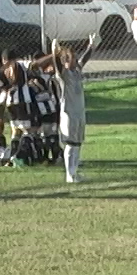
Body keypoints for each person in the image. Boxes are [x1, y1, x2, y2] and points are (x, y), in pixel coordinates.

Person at [30, 36, 94, 182]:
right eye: (72, 58)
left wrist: (91, 46)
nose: (76, 60)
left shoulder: (76, 72)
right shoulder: (63, 75)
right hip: (69, 114)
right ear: (66, 61)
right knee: (71, 144)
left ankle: (75, 172)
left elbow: (84, 60)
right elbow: (57, 66)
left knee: (78, 143)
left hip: (79, 113)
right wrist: (54, 52)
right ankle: (70, 174)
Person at [0, 49, 38, 165]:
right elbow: (34, 65)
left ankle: (12, 160)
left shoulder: (1, 72)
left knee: (15, 132)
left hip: (10, 103)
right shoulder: (20, 64)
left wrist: (1, 105)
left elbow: (4, 90)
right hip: (23, 101)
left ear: (3, 60)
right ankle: (18, 157)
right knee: (28, 131)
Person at [29, 52, 62, 164]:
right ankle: (54, 156)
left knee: (46, 133)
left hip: (42, 108)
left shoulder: (38, 77)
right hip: (51, 107)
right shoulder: (48, 77)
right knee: (51, 133)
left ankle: (46, 156)